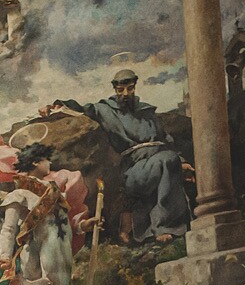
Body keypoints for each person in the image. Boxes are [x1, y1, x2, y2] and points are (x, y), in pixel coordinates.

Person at [40, 69, 191, 242]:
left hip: (159, 160)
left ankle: (168, 225)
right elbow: (81, 109)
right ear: (115, 90)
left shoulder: (147, 112)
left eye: (130, 88)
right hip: (133, 171)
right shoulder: (105, 110)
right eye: (121, 90)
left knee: (170, 159)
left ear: (135, 87)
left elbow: (166, 139)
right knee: (168, 159)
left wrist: (182, 161)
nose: (125, 94)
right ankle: (163, 227)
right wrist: (54, 106)